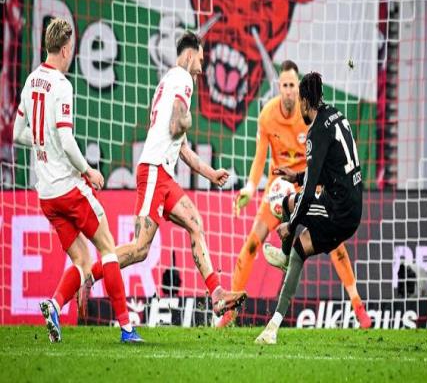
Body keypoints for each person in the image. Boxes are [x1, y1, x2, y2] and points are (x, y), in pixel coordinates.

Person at [84, 32, 247, 317]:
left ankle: (217, 294)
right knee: (140, 249)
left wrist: (210, 174)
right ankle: (89, 274)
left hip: (163, 174)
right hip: (153, 170)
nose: (202, 66)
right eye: (201, 59)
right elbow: (176, 125)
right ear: (190, 55)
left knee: (195, 223)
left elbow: (181, 147)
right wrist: (186, 120)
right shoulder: (184, 79)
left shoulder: (167, 82)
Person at [12, 18, 142, 343]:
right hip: (68, 188)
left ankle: (54, 305)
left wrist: (42, 142)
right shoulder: (61, 85)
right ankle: (127, 328)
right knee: (108, 247)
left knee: (82, 261)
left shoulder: (31, 81)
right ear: (66, 49)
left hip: (46, 195)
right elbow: (67, 141)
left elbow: (16, 134)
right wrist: (88, 170)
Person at [218, 61, 370, 328]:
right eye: (285, 85)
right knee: (251, 244)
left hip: (308, 185)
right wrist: (250, 188)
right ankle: (230, 314)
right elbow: (259, 158)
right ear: (279, 86)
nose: (289, 91)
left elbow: (318, 169)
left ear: (300, 92)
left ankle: (358, 306)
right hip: (278, 188)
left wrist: (304, 185)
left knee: (336, 247)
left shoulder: (309, 119)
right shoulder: (267, 115)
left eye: (293, 86)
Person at [256, 72, 365, 344]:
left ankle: (283, 254)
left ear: (305, 101)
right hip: (350, 205)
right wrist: (296, 176)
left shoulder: (316, 132)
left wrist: (290, 225)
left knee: (289, 204)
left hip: (338, 212)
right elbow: (331, 171)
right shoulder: (337, 116)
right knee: (299, 249)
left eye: (300, 104)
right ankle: (272, 328)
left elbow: (307, 193)